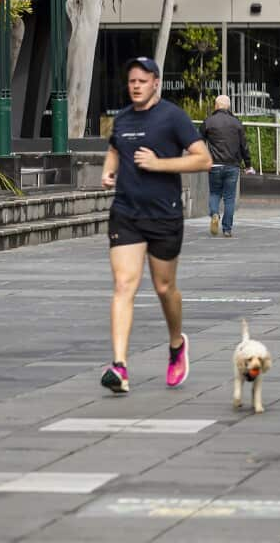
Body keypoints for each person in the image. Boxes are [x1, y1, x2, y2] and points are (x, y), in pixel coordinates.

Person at [100, 57, 213, 395]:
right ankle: (119, 366)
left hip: (164, 214)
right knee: (124, 285)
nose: (135, 85)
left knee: (164, 288)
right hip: (126, 213)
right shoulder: (121, 120)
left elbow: (203, 159)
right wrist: (108, 171)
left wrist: (158, 164)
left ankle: (177, 343)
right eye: (132, 80)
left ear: (156, 83)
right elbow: (115, 151)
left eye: (142, 80)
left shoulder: (172, 117)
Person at [200, 95, 254, 238]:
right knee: (229, 198)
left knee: (214, 193)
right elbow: (244, 146)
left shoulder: (208, 121)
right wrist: (248, 165)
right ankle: (227, 229)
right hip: (232, 165)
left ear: (216, 105)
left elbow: (198, 142)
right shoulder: (236, 123)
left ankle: (214, 214)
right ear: (228, 106)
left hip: (214, 164)